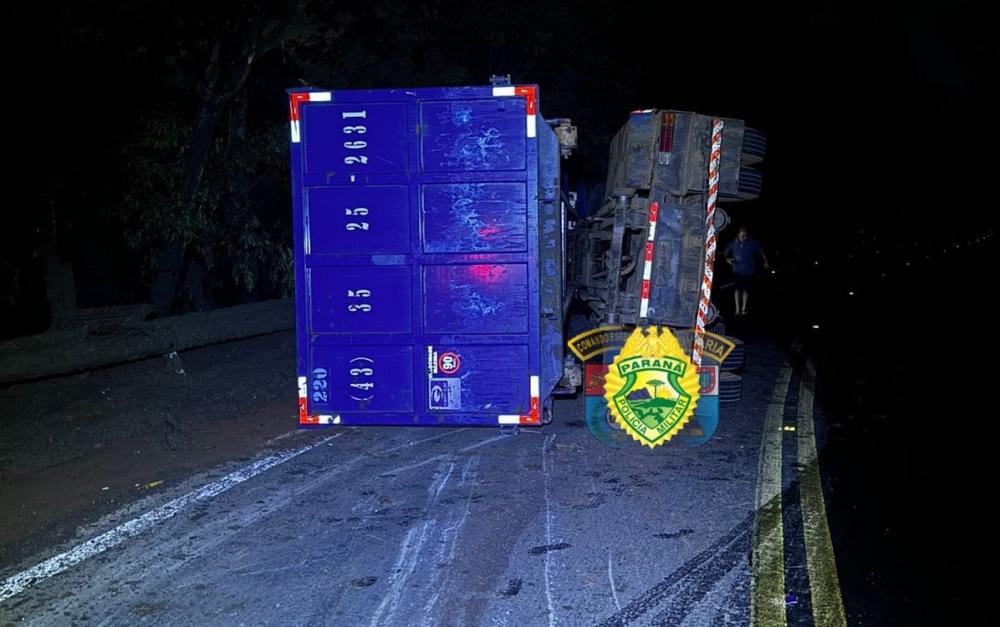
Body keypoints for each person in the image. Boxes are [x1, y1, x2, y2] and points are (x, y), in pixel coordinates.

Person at [724, 227, 769, 316]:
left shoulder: (751, 242)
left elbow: (761, 249)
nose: (744, 237)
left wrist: (765, 261)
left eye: (745, 236)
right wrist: (727, 259)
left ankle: (743, 309)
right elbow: (725, 251)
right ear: (738, 235)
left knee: (746, 290)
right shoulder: (733, 243)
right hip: (737, 271)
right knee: (737, 289)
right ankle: (737, 310)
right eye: (742, 236)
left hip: (749, 271)